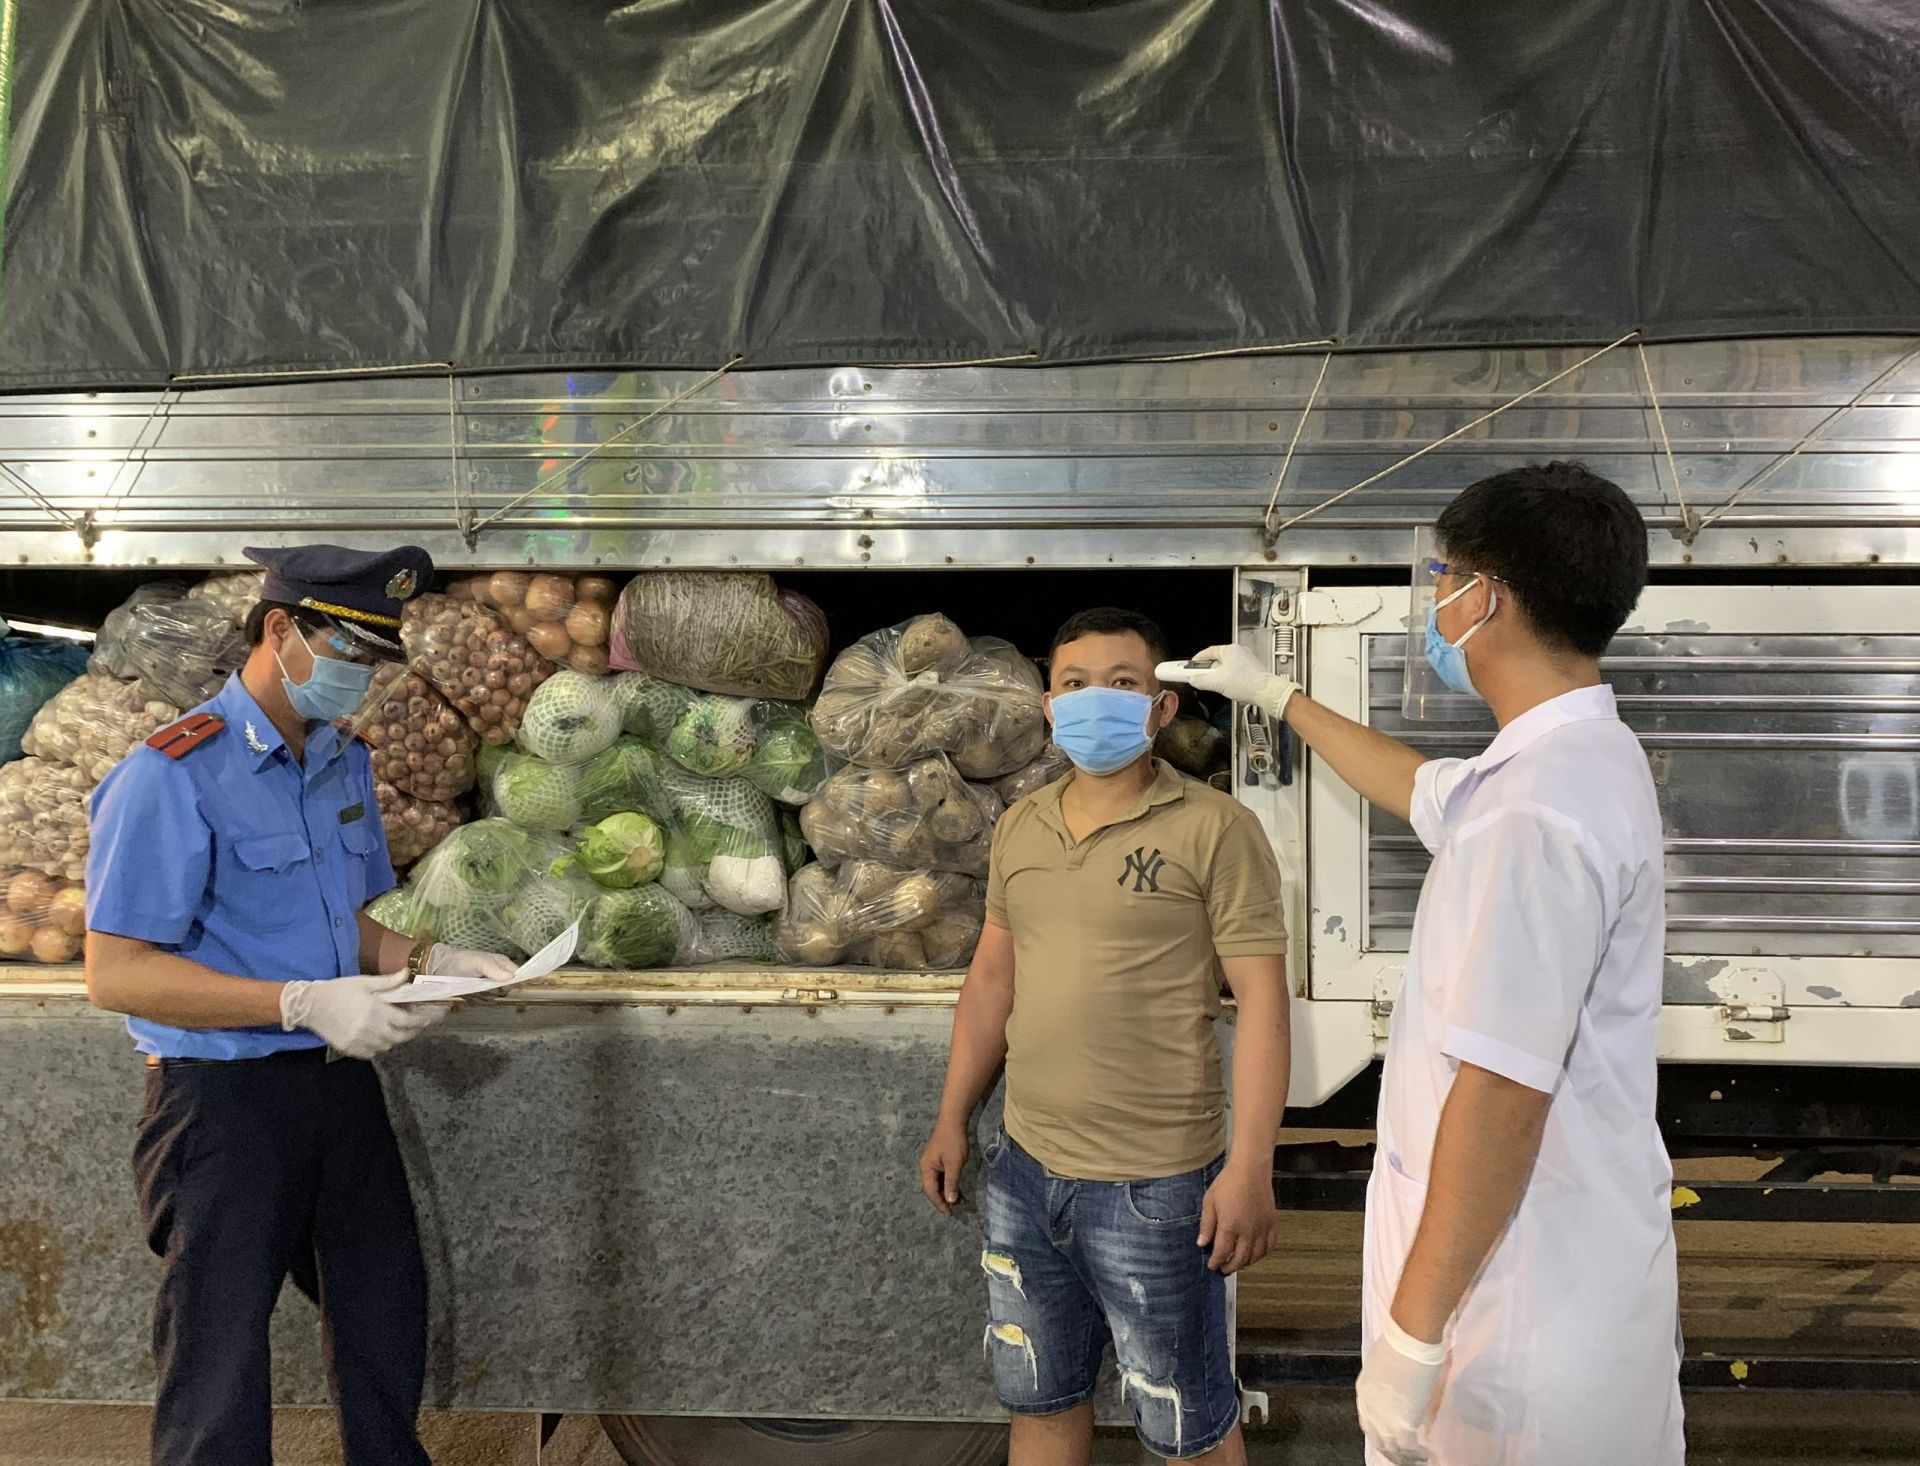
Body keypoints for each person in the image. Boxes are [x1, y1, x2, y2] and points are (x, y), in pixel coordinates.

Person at [1170, 462, 1682, 1465]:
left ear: (1486, 597)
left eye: (1443, 575)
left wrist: (1412, 1333)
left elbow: (1502, 1093)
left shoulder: (1531, 815)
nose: (1433, 598)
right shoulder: (1567, 762)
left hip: (1514, 1316)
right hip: (1560, 1274)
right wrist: (1277, 694)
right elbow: (1419, 788)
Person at [84, 545, 516, 1466]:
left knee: (383, 1305)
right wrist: (297, 1002)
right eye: (347, 653)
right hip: (219, 1103)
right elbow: (115, 972)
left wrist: (430, 960)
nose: (360, 678)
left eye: (375, 660)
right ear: (279, 629)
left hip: (336, 1086)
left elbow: (339, 922)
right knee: (219, 1348)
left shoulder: (339, 762)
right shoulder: (173, 772)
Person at [919, 608, 1292, 1466]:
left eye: (1123, 683)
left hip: (1156, 1187)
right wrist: (952, 1118)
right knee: (1041, 1400)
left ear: (1162, 707)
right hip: (1025, 1173)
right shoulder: (1022, 825)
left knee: (1189, 1427)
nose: (1097, 700)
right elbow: (992, 981)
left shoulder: (1216, 829)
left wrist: (1250, 1167)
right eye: (1076, 684)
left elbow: (1264, 1004)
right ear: (1050, 706)